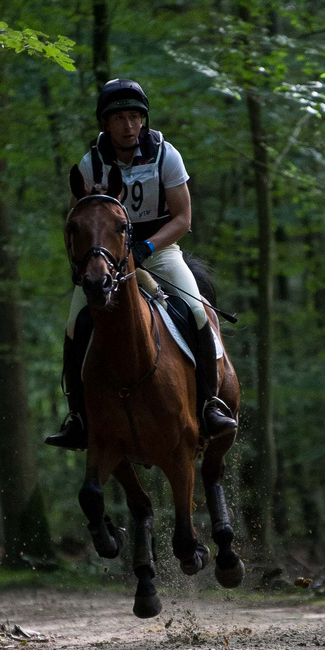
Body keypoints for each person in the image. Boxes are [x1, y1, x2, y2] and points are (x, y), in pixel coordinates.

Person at [45, 77, 236, 451]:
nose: (129, 126)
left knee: (197, 310)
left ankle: (211, 403)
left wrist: (147, 246)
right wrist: (81, 263)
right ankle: (78, 417)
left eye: (135, 117)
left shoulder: (167, 155)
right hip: (106, 260)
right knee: (74, 324)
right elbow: (76, 221)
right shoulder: (90, 164)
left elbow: (183, 219)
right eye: (119, 119)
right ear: (106, 123)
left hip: (159, 250)